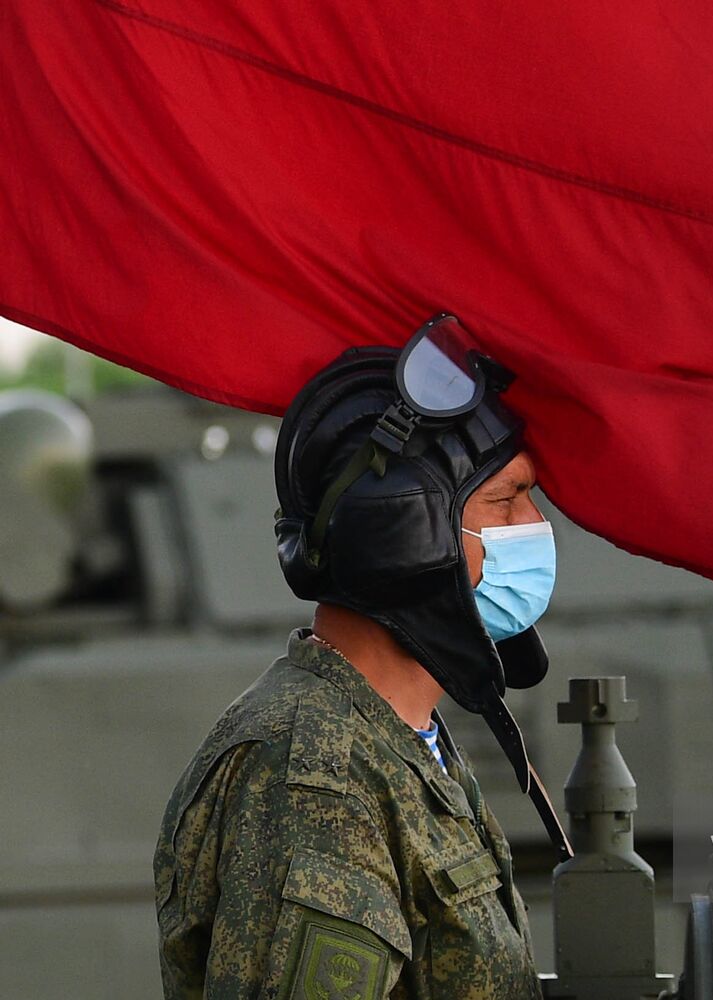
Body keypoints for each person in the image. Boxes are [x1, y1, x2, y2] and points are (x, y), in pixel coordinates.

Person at [155, 319, 563, 999]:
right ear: (405, 535)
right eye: (506, 500)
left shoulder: (400, 737)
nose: (533, 526)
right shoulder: (317, 778)